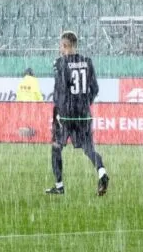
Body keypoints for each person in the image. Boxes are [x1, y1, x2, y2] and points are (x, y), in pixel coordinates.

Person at [46, 31, 108, 197]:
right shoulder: (87, 62)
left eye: (61, 46)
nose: (60, 49)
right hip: (83, 114)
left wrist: (58, 112)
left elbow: (60, 90)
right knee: (89, 148)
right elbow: (95, 88)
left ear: (65, 45)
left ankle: (59, 186)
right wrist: (85, 103)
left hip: (66, 114)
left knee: (56, 147)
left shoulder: (60, 63)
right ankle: (102, 172)